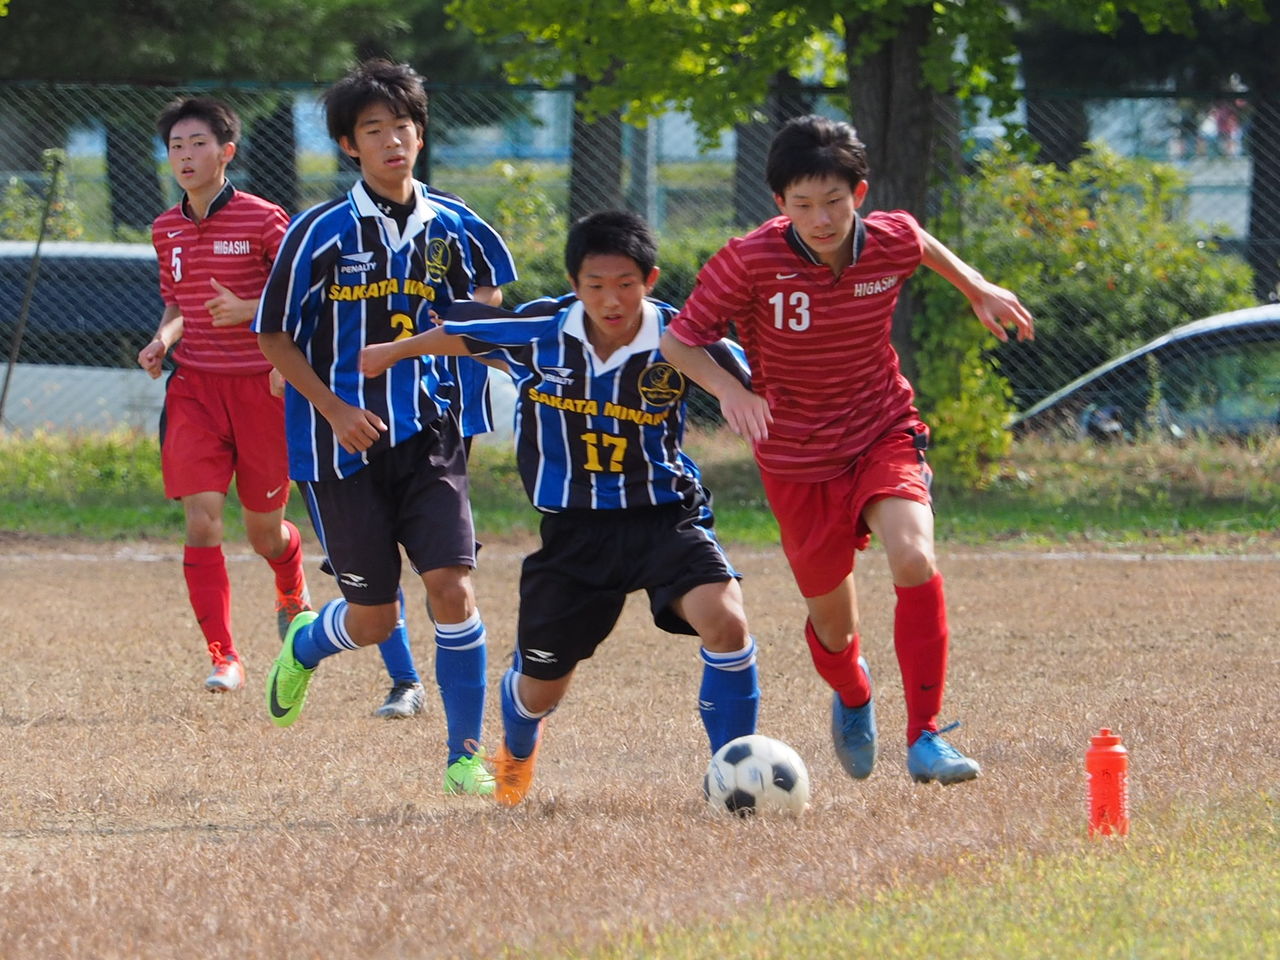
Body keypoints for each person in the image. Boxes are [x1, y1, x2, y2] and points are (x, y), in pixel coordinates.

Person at [658, 115, 1035, 787]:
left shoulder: (884, 239)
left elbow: (918, 242)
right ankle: (855, 693)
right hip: (797, 460)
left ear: (858, 193)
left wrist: (977, 287)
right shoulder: (749, 259)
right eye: (803, 205)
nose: (821, 218)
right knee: (833, 631)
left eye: (834, 201)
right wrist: (728, 392)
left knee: (914, 556)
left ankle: (925, 736)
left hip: (881, 428)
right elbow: (679, 341)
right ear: (780, 204)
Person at [361, 210, 761, 807]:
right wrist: (393, 353)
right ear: (575, 285)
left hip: (664, 518)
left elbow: (767, 383)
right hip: (573, 534)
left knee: (727, 623)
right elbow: (468, 335)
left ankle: (733, 776)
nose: (611, 299)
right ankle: (517, 752)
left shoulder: (684, 340)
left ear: (649, 280)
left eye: (626, 284)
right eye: (596, 285)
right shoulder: (543, 328)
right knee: (541, 688)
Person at [253, 58, 493, 796]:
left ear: (421, 134)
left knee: (451, 587)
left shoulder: (453, 223)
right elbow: (272, 336)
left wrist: (462, 346)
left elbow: (484, 305)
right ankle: (306, 641)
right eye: (373, 130)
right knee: (371, 613)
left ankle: (464, 758)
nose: (393, 140)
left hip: (431, 435)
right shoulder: (318, 231)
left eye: (404, 126)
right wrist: (333, 406)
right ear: (349, 146)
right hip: (338, 448)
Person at [139, 96, 311, 695]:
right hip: (195, 391)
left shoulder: (266, 220)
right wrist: (162, 340)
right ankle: (224, 657)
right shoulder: (166, 228)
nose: (185, 156)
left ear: (226, 152)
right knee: (202, 521)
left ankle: (290, 581)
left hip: (263, 389)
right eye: (176, 147)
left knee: (265, 533)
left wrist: (251, 312)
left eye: (198, 144)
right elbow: (177, 304)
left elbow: (303, 299)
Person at [371, 186, 517, 722]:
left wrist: (455, 325)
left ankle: (451, 677)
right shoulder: (340, 226)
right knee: (378, 550)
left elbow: (492, 291)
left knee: (440, 558)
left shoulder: (455, 216)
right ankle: (404, 679)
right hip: (372, 395)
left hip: (449, 404)